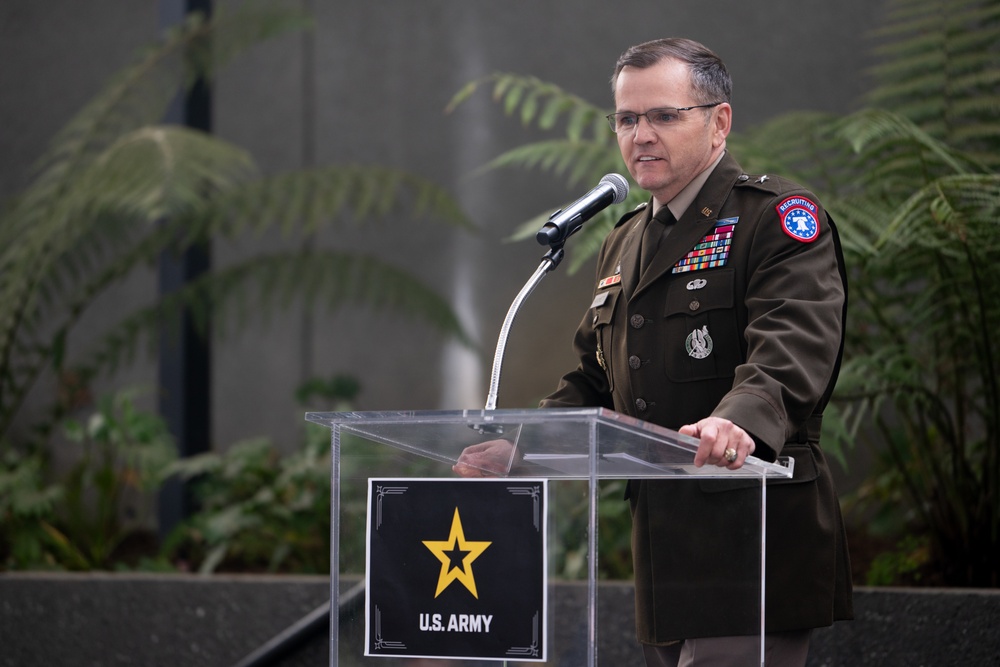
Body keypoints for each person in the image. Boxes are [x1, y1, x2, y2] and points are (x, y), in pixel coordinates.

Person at [457, 37, 852, 666]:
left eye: (664, 116)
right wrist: (523, 444)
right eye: (627, 118)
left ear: (719, 122)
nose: (641, 134)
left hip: (752, 536)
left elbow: (793, 341)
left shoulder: (775, 219)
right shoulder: (626, 239)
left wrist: (738, 420)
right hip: (663, 547)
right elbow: (596, 376)